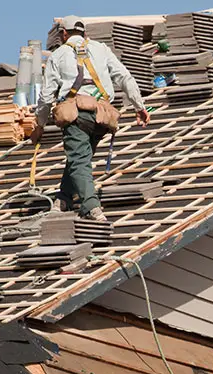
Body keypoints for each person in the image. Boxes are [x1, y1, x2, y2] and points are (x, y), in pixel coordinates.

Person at [32, 15, 151, 222]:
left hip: (76, 114)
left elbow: (46, 95)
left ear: (64, 34)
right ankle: (64, 198)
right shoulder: (101, 49)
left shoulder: (58, 55)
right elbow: (125, 77)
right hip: (102, 116)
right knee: (81, 157)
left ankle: (92, 208)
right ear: (85, 33)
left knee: (79, 161)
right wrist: (139, 106)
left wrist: (39, 124)